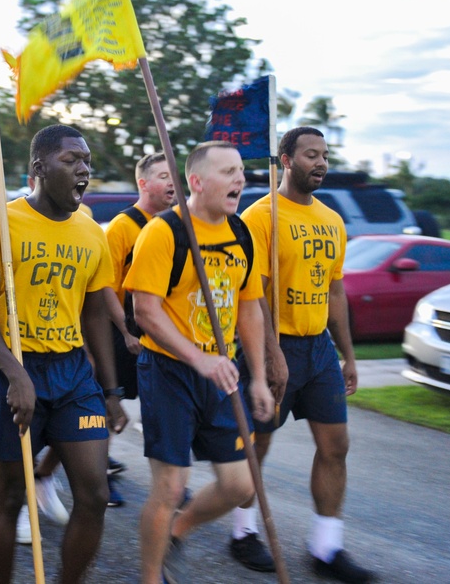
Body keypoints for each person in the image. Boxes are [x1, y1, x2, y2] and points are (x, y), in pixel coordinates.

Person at [0, 124, 127, 584]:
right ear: (39, 168)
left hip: (71, 373)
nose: (84, 169)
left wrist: (111, 390)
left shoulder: (91, 231)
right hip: (11, 367)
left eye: (86, 161)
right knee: (13, 496)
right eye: (71, 160)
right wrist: (16, 375)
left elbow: (95, 314)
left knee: (93, 496)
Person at [123, 140, 273, 584]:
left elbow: (249, 308)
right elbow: (144, 311)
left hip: (221, 372)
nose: (240, 179)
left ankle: (176, 532)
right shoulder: (164, 231)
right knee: (170, 486)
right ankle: (150, 578)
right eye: (228, 171)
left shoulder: (241, 234)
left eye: (241, 171)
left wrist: (260, 378)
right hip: (169, 370)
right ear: (196, 181)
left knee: (240, 485)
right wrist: (198, 359)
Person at [237, 127, 375, 584]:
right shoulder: (260, 217)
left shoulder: (332, 220)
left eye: (325, 155)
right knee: (257, 444)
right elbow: (250, 295)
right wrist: (271, 355)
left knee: (336, 446)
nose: (320, 163)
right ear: (285, 160)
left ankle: (326, 546)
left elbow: (336, 291)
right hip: (273, 343)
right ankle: (243, 532)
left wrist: (347, 354)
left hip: (318, 349)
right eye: (310, 155)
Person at [102, 152, 175, 505]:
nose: (172, 183)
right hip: (123, 327)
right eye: (163, 176)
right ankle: (99, 476)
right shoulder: (122, 227)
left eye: (175, 175)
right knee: (108, 405)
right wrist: (126, 331)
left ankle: (170, 483)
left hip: (161, 328)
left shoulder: (178, 225)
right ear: (143, 183)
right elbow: (104, 289)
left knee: (162, 407)